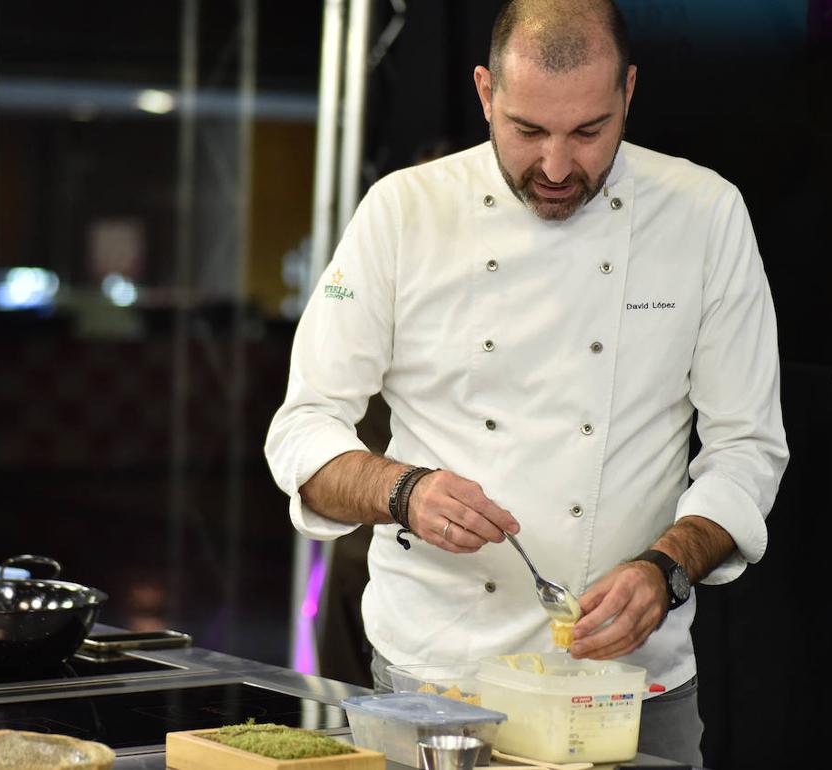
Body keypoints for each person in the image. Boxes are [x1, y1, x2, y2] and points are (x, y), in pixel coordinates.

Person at [265, 0, 788, 764]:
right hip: (435, 679)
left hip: (631, 689)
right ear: (485, 93)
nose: (554, 168)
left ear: (629, 93)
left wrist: (667, 568)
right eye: (528, 131)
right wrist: (401, 489)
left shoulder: (705, 215)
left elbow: (746, 447)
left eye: (588, 132)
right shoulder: (403, 213)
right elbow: (302, 429)